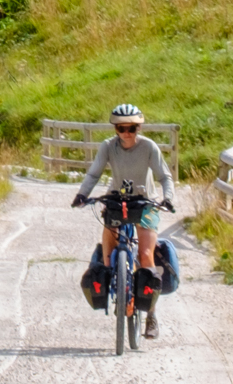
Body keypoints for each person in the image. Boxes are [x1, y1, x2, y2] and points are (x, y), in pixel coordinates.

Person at [72, 103, 175, 337]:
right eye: (121, 128)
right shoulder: (108, 147)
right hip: (117, 199)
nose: (127, 133)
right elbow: (94, 173)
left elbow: (165, 177)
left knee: (146, 254)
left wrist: (167, 199)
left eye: (132, 128)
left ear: (138, 128)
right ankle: (109, 275)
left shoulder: (149, 147)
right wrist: (82, 195)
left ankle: (151, 315)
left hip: (145, 201)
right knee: (108, 233)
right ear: (115, 129)